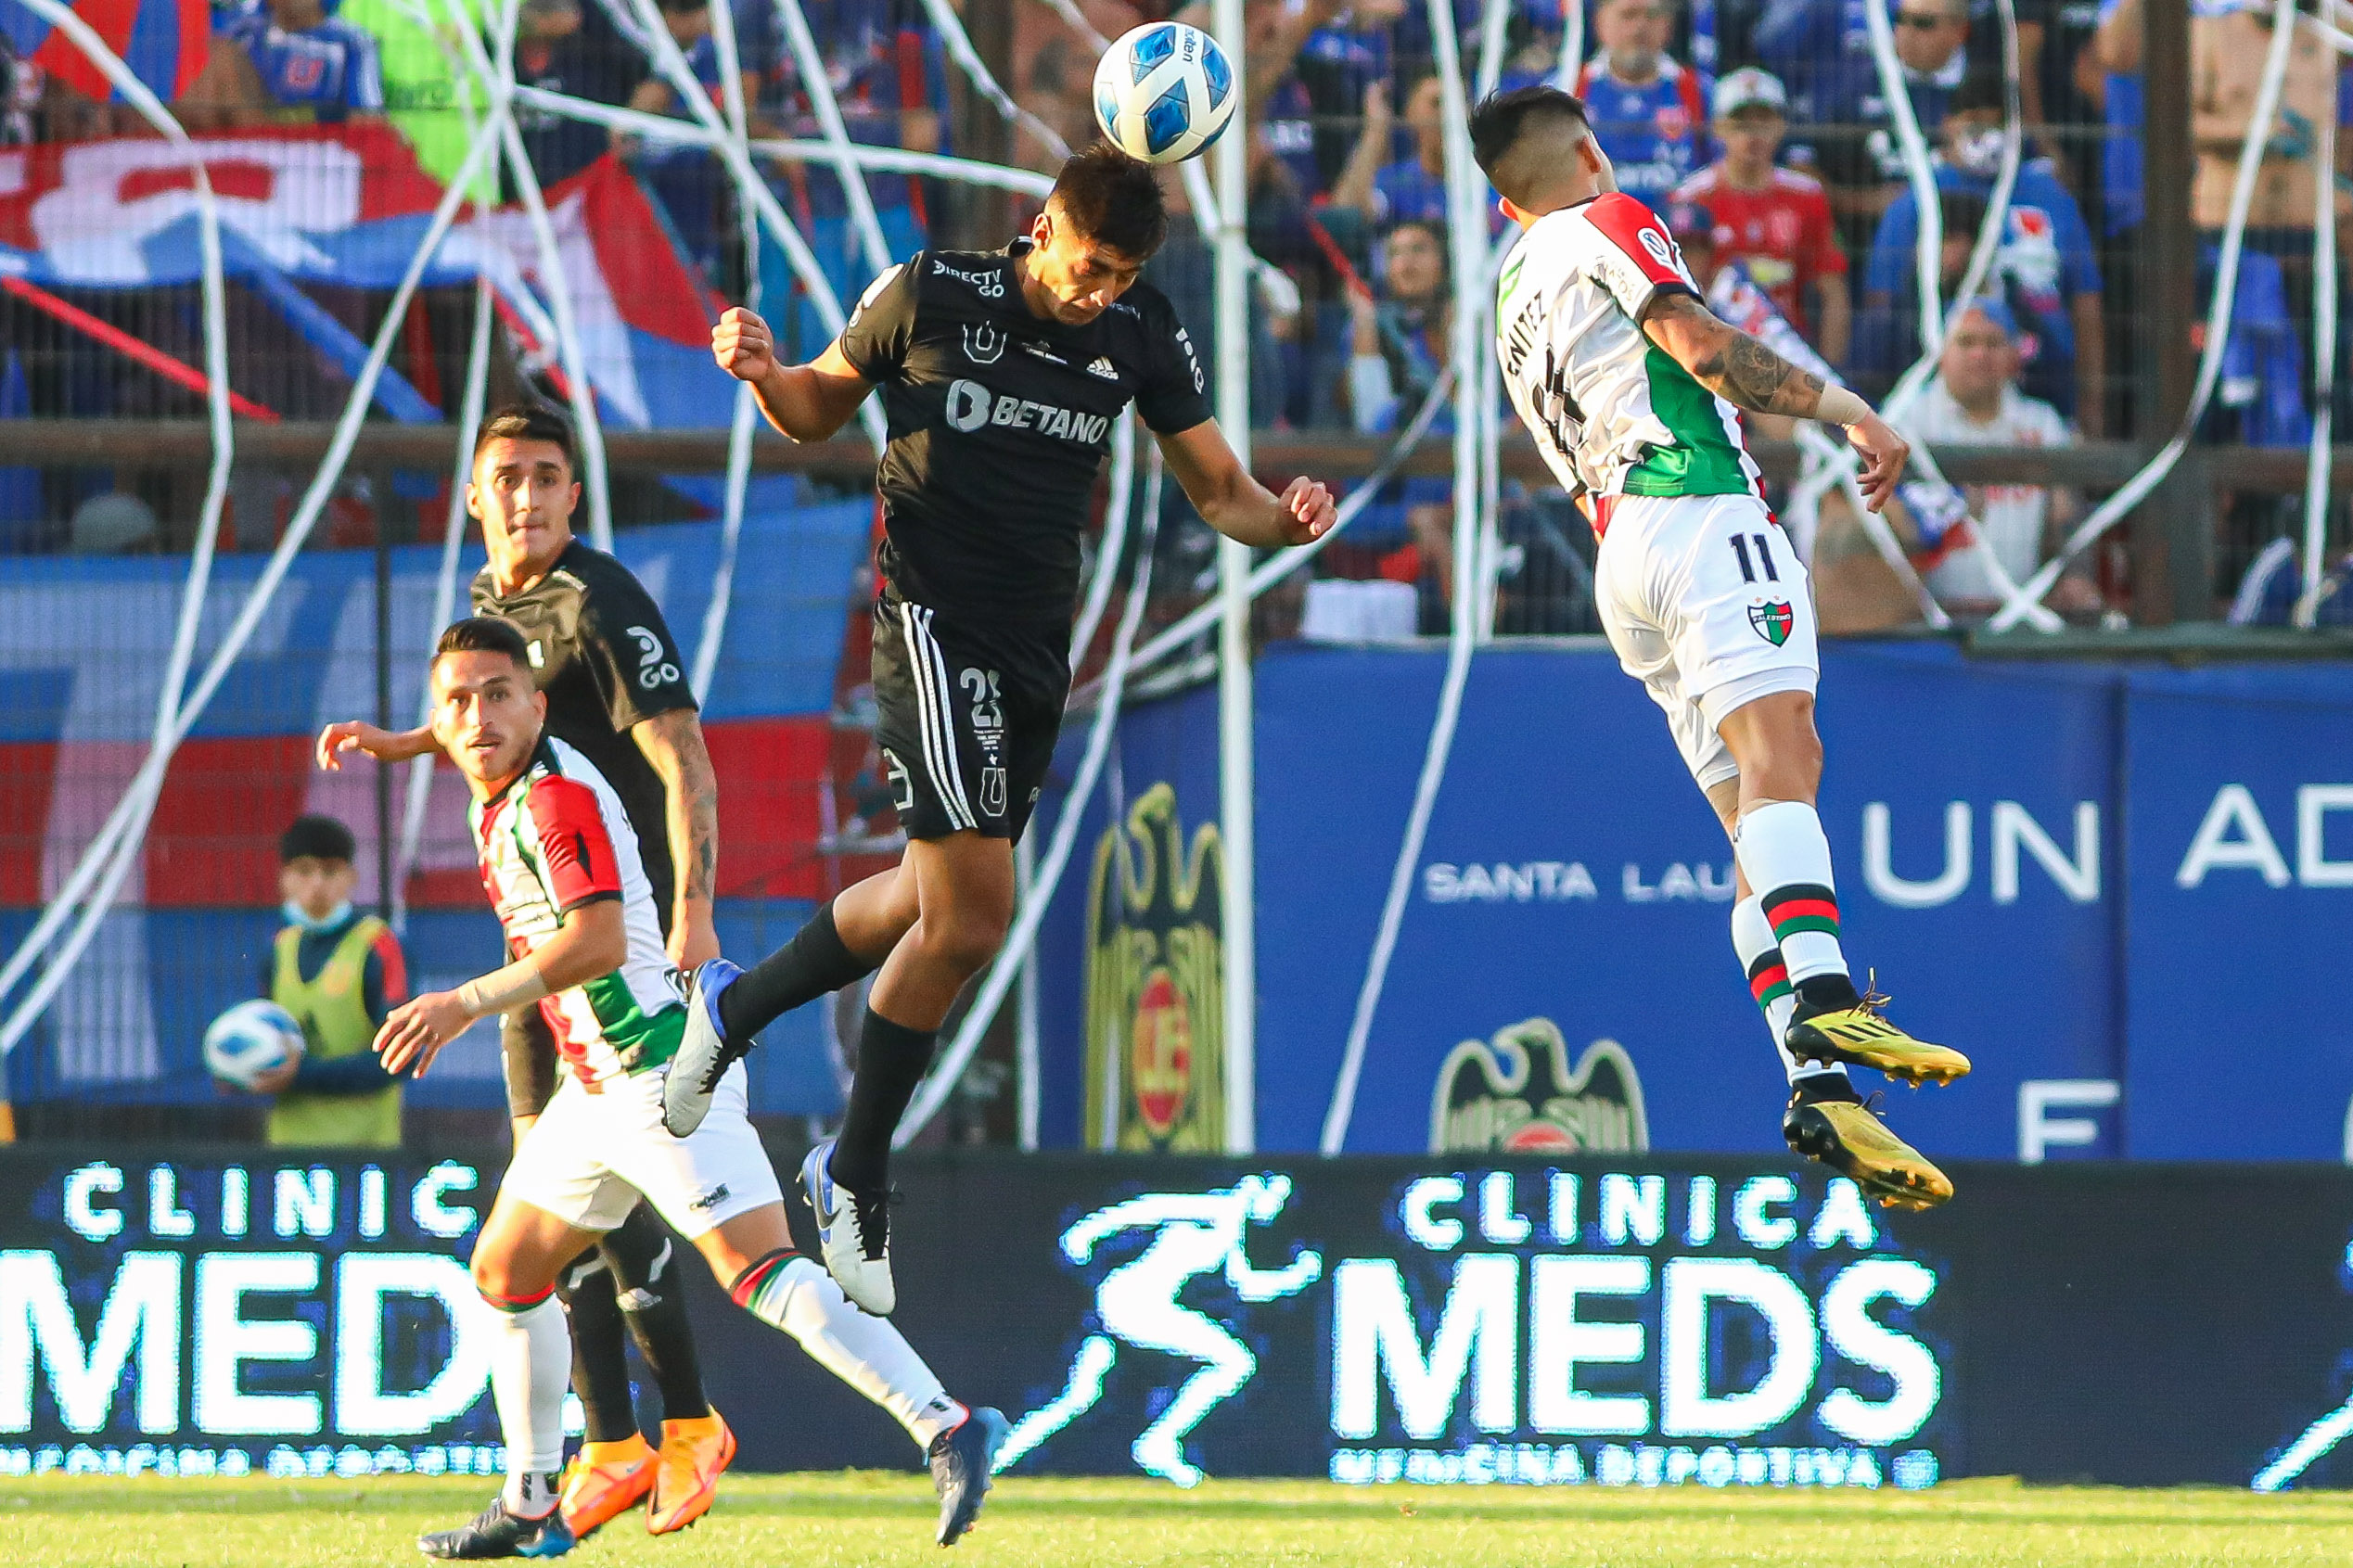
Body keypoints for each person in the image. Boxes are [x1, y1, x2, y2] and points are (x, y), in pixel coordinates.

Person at [667, 143, 1336, 1316]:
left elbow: (1219, 490)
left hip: (1038, 649)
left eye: (1119, 275)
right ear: (1042, 228)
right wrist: (766, 372)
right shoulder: (931, 289)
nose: (1098, 293)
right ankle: (852, 1164)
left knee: (929, 902)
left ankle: (735, 1006)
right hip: (931, 621)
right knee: (974, 917)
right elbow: (819, 407)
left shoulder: (1138, 331)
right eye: (1087, 267)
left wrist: (1282, 519)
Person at [391, 616, 1006, 1559]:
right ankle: (526, 1498)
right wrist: (397, 739)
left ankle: (947, 1421)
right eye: (456, 703)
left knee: (758, 1270)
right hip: (593, 1090)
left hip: (660, 1070)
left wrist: (462, 1002)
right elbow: (461, 721)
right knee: (505, 1268)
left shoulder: (550, 800)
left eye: (497, 695)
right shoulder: (495, 765)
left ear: (537, 704)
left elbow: (594, 941)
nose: (475, 718)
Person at [1470, 84, 1971, 1209]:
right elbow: (1697, 347)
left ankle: (1815, 1081)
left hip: (1619, 558)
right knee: (1785, 750)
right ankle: (1829, 992)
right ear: (1590, 155)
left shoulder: (1508, 288)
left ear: (1502, 204)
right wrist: (1851, 411)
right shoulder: (1607, 218)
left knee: (1757, 815)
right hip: (1696, 509)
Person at [316, 404, 729, 1539]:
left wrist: (693, 910)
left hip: (617, 947)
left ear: (573, 498)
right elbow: (487, 717)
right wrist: (403, 743)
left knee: (619, 1193)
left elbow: (681, 751)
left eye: (548, 477)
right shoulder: (494, 606)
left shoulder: (600, 604)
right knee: (549, 1204)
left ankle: (682, 1422)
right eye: (508, 478)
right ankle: (601, 1450)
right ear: (475, 497)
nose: (527, 497)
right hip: (537, 951)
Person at [1861, 68, 2105, 430]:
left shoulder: (2051, 197)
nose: (1987, 136)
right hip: (1935, 395)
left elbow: (2086, 304)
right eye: (1974, 124)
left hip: (2043, 383)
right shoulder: (1918, 200)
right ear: (1948, 126)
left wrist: (2092, 407)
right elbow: (1882, 304)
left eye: (1998, 125)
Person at [1907, 296, 2096, 618]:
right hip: (1926, 619)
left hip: (2019, 617)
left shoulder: (2043, 423)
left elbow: (2067, 517)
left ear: (2014, 355)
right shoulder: (1909, 421)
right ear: (1941, 352)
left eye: (1993, 343)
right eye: (1966, 342)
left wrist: (2076, 576)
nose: (1979, 354)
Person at [249, 814, 411, 1147]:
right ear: (285, 879)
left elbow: (401, 1058)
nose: (317, 884)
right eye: (305, 871)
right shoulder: (280, 950)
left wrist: (301, 1074)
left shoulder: (377, 947)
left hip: (366, 1156)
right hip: (289, 1154)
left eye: (330, 871)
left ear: (351, 878)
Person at [1671, 67, 1850, 364]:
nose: (1753, 135)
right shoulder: (1692, 198)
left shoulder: (1807, 196)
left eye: (1764, 121)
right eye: (1740, 123)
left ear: (1781, 126)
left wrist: (1829, 374)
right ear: (1718, 127)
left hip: (1789, 350)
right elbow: (1683, 298)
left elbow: (1833, 293)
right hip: (1720, 354)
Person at [1571, 0, 1714, 206]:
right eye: (1628, 15)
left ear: (1668, 24)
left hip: (1677, 231)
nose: (1639, 27)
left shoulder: (1700, 92)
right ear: (1600, 22)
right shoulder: (1568, 89)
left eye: (1651, 16)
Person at [183, 0, 385, 128]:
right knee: (217, 53)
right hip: (243, 140)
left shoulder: (351, 43)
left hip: (315, 157)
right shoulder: (243, 32)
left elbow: (367, 120)